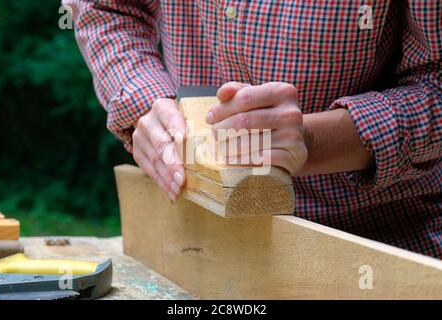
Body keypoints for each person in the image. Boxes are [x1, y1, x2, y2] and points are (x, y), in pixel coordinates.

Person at [66, 0, 441, 259]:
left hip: (377, 243)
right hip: (191, 234)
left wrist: (313, 140)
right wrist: (148, 101)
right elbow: (106, 8)